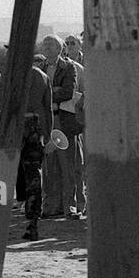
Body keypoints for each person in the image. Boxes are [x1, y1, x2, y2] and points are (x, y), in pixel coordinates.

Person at [41, 35, 85, 219]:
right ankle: (51, 206)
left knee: (68, 165)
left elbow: (68, 91)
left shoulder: (69, 67)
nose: (47, 47)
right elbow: (35, 92)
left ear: (61, 48)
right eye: (45, 44)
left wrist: (48, 96)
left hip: (64, 121)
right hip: (46, 121)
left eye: (51, 44)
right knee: (49, 166)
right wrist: (53, 94)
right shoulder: (39, 68)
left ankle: (70, 207)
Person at [16, 61, 55, 241]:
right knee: (34, 176)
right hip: (35, 128)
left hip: (15, 129)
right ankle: (33, 222)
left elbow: (1, 101)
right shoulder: (42, 76)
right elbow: (47, 109)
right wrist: (48, 136)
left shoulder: (14, 74)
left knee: (5, 175)